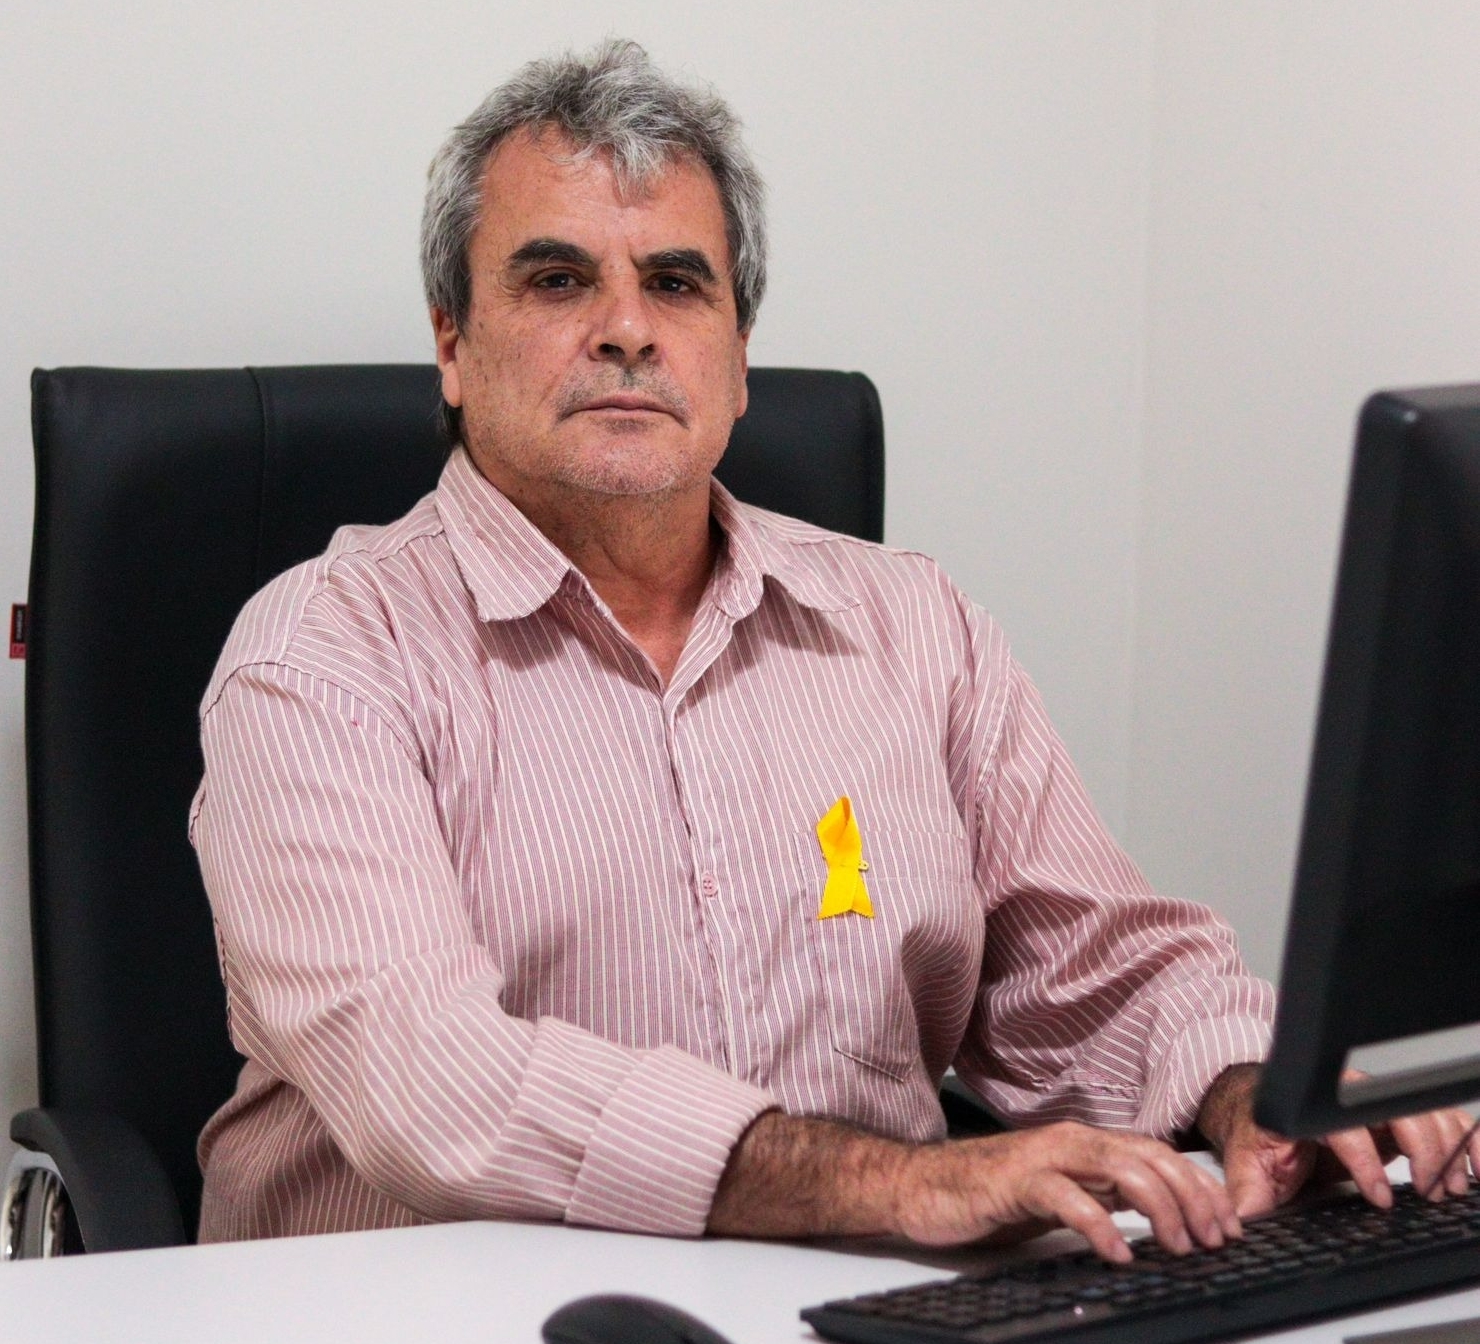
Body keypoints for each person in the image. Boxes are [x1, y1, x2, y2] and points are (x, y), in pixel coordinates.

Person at [191, 39, 1477, 1258]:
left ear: (739, 355)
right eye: (558, 279)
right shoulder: (322, 658)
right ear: (453, 346)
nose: (627, 327)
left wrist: (1259, 1090)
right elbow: (433, 1082)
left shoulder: (912, 628)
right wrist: (901, 1182)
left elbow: (1091, 973)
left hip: (856, 1333)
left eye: (677, 283)